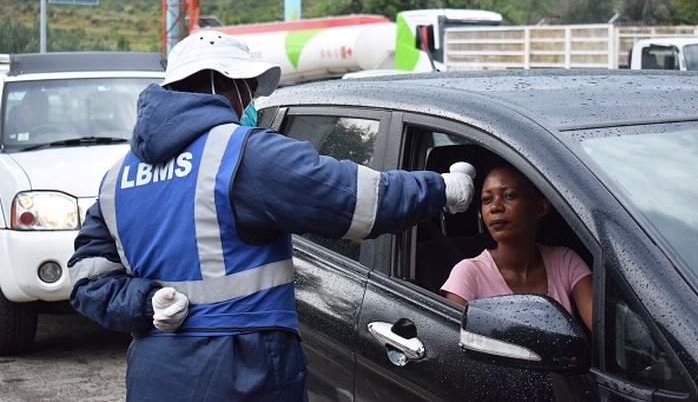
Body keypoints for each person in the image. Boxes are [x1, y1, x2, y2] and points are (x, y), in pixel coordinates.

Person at [68, 30, 475, 401]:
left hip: (155, 378)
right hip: (238, 374)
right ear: (221, 83)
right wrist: (442, 188)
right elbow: (358, 200)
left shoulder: (117, 177)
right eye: (247, 88)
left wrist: (144, 303)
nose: (251, 101)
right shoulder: (244, 154)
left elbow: (86, 279)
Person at [440, 161, 593, 330]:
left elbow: (605, 329)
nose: (495, 207)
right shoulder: (468, 274)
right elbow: (453, 346)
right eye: (487, 200)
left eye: (509, 196)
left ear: (540, 207)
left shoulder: (565, 262)